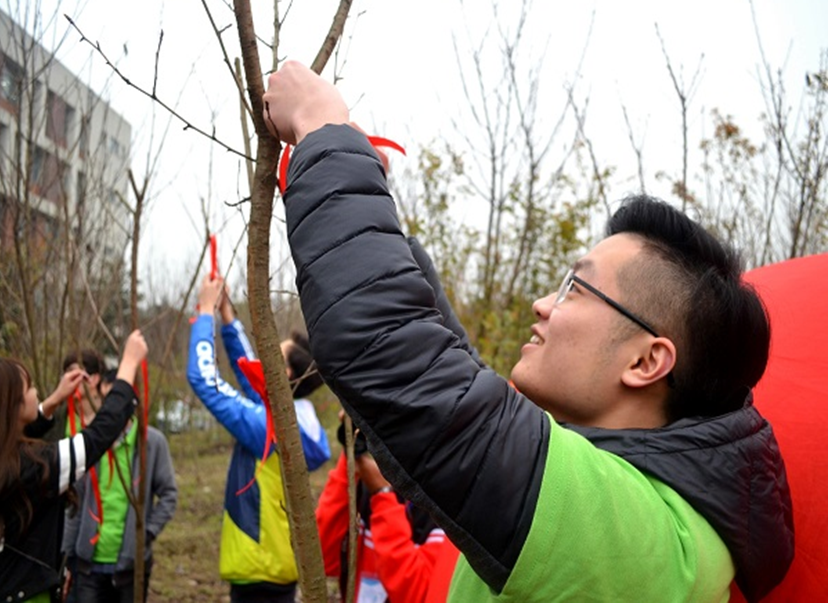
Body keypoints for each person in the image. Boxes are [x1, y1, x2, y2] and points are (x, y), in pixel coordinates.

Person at [260, 61, 794, 602]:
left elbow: (400, 360)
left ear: (645, 361)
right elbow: (452, 375)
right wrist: (361, 191)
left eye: (574, 289)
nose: (542, 305)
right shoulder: (622, 492)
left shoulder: (644, 543)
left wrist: (322, 129)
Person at [187, 276, 331, 603]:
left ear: (285, 374)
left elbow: (205, 381)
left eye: (272, 355)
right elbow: (251, 372)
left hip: (257, 566)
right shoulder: (293, 420)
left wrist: (205, 312)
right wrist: (228, 317)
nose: (263, 358)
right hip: (276, 562)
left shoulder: (270, 427)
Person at [0, 330, 147, 603]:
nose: (36, 392)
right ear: (13, 406)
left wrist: (53, 401)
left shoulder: (6, 458)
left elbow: (15, 431)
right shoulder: (34, 467)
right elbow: (97, 437)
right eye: (30, 388)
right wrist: (128, 366)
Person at [61, 363, 178, 603]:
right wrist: (66, 555)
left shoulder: (151, 443)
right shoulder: (90, 442)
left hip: (131, 565)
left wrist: (146, 534)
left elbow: (169, 494)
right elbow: (75, 502)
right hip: (88, 564)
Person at [316, 415, 454, 603]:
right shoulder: (368, 481)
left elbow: (417, 595)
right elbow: (321, 558)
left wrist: (383, 496)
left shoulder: (447, 509)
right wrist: (352, 455)